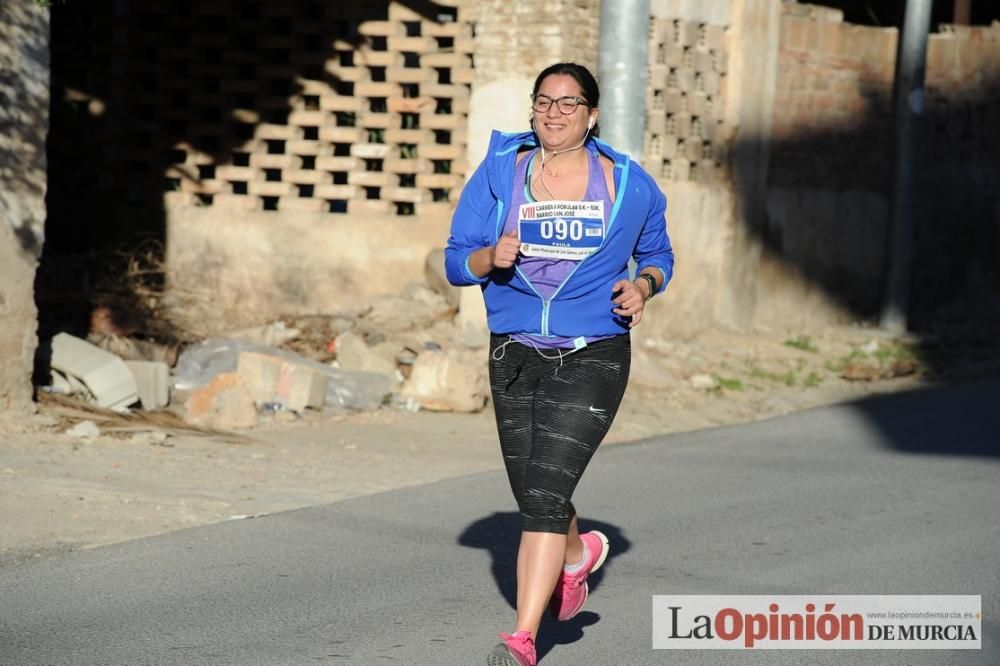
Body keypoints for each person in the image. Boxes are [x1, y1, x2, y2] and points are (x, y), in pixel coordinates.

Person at [445, 62, 674, 666]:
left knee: (544, 495)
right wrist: (489, 257)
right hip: (514, 351)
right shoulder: (500, 174)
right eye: (544, 102)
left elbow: (657, 255)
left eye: (569, 104)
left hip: (595, 352)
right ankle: (576, 556)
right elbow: (452, 261)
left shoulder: (628, 183)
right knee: (533, 489)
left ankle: (522, 638)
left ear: (592, 115)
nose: (554, 113)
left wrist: (644, 287)